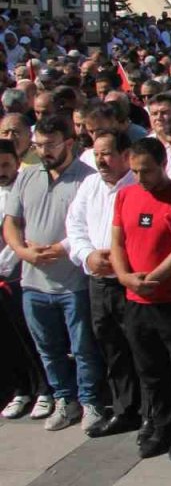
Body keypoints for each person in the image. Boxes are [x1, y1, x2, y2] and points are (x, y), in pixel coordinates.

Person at [3, 115, 102, 433]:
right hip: (33, 281)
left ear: (69, 143)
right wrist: (23, 252)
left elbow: (89, 224)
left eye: (51, 145)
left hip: (72, 281)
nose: (43, 151)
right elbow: (11, 223)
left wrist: (61, 248)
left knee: (83, 347)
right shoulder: (27, 177)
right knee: (47, 346)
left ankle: (90, 401)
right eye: (39, 145)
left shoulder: (87, 178)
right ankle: (64, 398)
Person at [110, 137, 171, 460]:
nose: (140, 178)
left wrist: (156, 276)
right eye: (134, 171)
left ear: (163, 165)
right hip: (135, 299)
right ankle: (160, 425)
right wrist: (124, 276)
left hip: (170, 298)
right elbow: (117, 241)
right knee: (149, 370)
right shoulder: (126, 195)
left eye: (146, 171)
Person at [65, 130, 141, 438]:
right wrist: (88, 255)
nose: (101, 160)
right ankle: (125, 410)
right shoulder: (90, 185)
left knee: (140, 348)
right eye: (97, 154)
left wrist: (123, 261)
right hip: (98, 281)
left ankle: (152, 414)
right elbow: (75, 225)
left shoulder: (137, 184)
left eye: (107, 154)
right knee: (112, 349)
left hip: (130, 281)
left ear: (125, 155)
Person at [0, 139, 53, 422]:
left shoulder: (23, 187)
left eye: (6, 164)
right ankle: (20, 390)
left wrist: (5, 264)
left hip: (21, 277)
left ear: (16, 162)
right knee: (7, 342)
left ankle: (45, 389)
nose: (2, 171)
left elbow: (19, 234)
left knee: (33, 338)